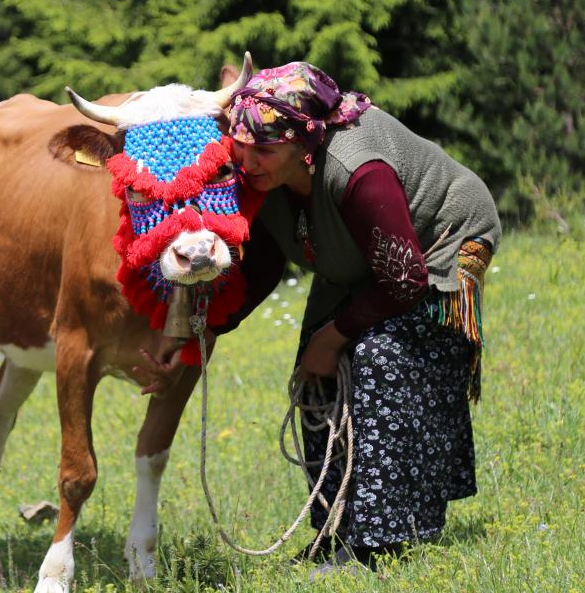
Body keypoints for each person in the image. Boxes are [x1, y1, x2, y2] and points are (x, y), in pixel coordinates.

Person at [204, 61, 503, 571]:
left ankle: (378, 542)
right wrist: (211, 327)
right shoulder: (263, 179)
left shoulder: (357, 170)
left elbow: (405, 279)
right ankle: (336, 527)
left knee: (379, 357)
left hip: (438, 241)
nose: (248, 161)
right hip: (365, 256)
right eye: (242, 145)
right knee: (314, 375)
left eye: (265, 149)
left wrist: (333, 337)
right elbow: (266, 261)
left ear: (305, 144)